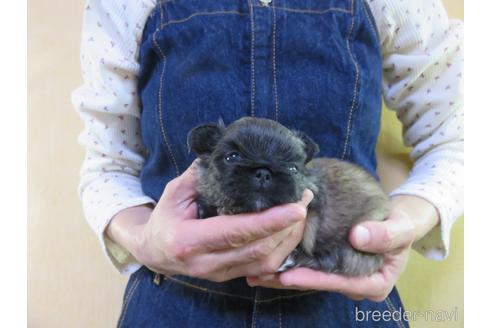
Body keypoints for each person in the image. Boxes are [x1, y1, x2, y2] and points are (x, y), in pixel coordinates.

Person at [72, 0, 463, 326]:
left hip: (344, 298)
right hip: (176, 301)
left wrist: (400, 227)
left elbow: (460, 135)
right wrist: (144, 240)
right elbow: (107, 166)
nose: (261, 175)